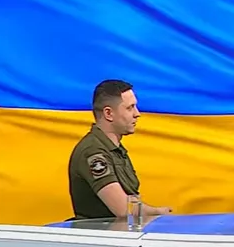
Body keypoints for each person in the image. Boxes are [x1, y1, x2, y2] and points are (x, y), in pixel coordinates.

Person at [68, 80, 171, 220]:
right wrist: (158, 212)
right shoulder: (93, 152)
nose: (137, 114)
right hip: (101, 233)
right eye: (130, 108)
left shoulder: (115, 150)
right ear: (109, 113)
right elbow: (124, 209)